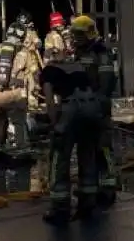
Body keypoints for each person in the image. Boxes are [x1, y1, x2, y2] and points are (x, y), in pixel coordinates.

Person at [40, 55, 103, 226]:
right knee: (88, 153)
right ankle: (88, 202)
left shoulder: (47, 72)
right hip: (92, 106)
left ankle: (60, 208)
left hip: (72, 107)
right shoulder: (77, 66)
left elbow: (49, 99)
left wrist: (54, 124)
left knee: (59, 156)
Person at [69, 14, 118, 207]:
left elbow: (106, 82)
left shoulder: (101, 51)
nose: (75, 37)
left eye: (79, 34)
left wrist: (98, 102)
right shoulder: (80, 51)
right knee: (85, 148)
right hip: (82, 106)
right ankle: (89, 190)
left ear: (89, 33)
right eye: (74, 34)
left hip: (98, 106)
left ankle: (108, 189)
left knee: (103, 147)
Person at [0, 23, 40, 154]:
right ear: (23, 36)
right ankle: (23, 151)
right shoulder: (25, 52)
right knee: (19, 122)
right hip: (16, 93)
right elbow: (35, 71)